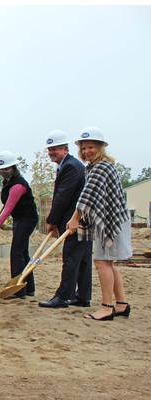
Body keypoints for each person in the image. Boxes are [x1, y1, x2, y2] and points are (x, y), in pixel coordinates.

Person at [67, 127, 131, 321]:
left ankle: (107, 307)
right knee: (109, 263)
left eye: (91, 147)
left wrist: (75, 218)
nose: (87, 151)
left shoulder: (101, 167)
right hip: (116, 220)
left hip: (111, 222)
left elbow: (87, 197)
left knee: (102, 262)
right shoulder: (96, 167)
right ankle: (121, 304)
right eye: (84, 148)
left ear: (100, 147)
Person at [39, 130, 92, 309]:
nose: (51, 152)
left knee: (70, 258)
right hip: (83, 219)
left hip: (75, 220)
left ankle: (63, 297)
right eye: (49, 149)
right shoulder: (70, 165)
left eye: (54, 149)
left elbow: (63, 197)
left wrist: (52, 220)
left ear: (64, 149)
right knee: (83, 259)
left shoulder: (70, 166)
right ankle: (83, 296)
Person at [0, 151, 38, 299]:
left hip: (27, 219)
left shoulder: (18, 185)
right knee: (23, 253)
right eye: (1, 169)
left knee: (16, 253)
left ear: (13, 168)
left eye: (6, 169)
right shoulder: (7, 183)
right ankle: (29, 288)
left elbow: (8, 208)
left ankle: (18, 290)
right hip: (19, 218)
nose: (3, 171)